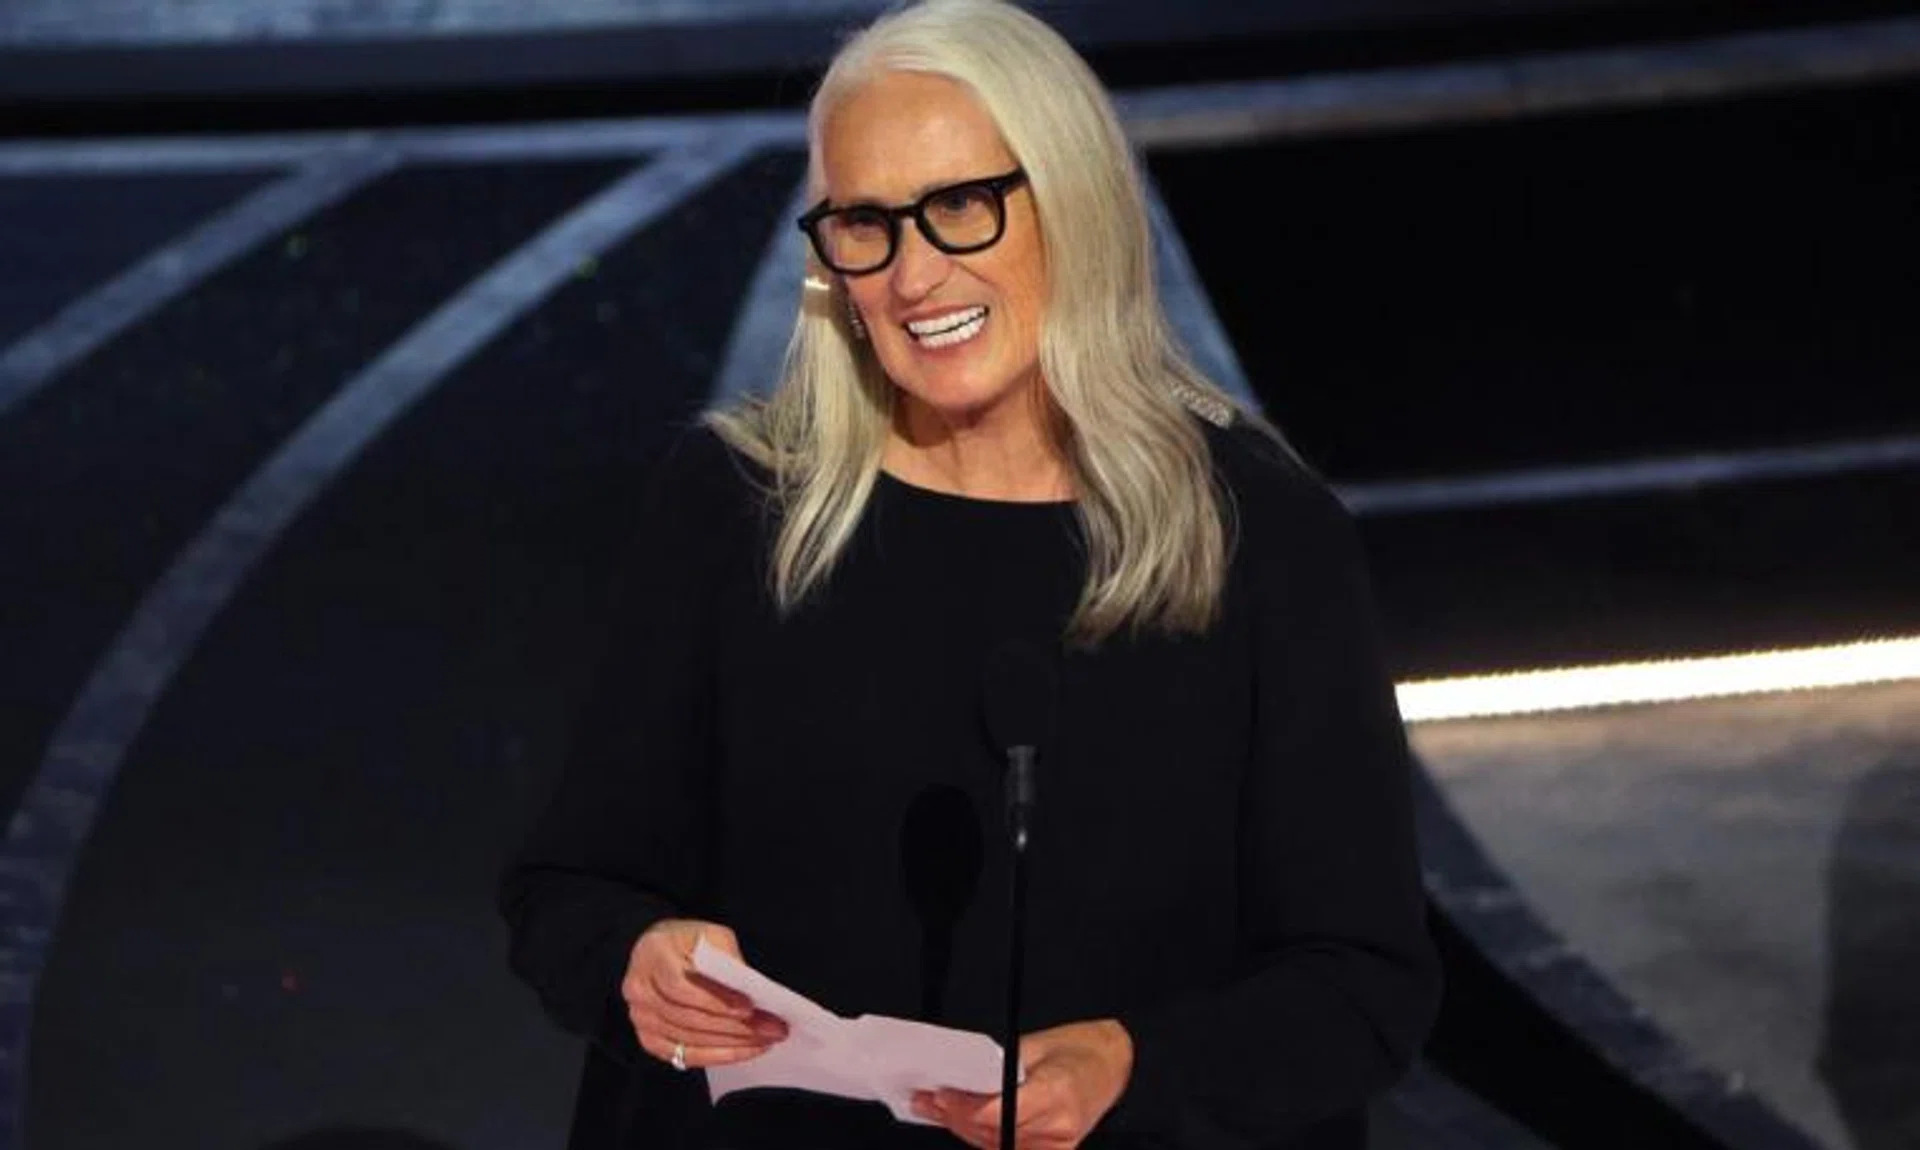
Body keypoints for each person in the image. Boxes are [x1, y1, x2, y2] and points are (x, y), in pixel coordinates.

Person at [497, 1, 1439, 1147]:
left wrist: (1131, 1065)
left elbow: (1363, 987)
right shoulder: (738, 509)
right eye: (865, 224)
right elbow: (569, 892)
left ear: (1074, 202)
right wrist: (636, 962)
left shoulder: (1257, 534)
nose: (912, 275)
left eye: (960, 208)